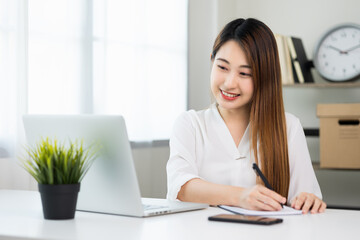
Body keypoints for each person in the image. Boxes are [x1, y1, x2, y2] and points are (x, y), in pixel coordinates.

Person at [166, 18, 326, 214]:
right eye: (222, 67)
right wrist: (241, 196)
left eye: (244, 74)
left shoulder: (288, 126)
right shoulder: (190, 124)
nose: (230, 83)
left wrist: (309, 200)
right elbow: (181, 187)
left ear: (264, 78)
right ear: (211, 61)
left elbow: (305, 195)